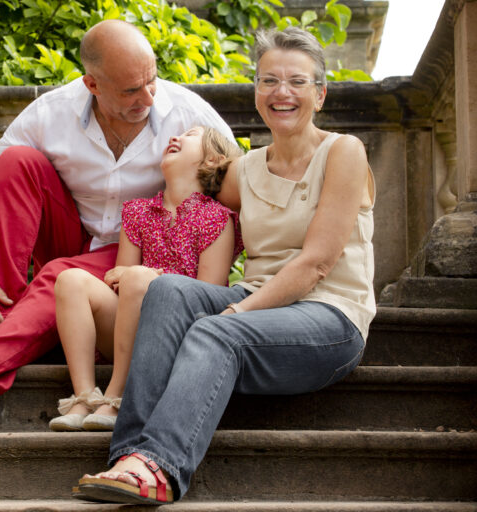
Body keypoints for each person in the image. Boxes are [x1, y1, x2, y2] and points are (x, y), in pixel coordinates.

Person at [0, 19, 234, 433]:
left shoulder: (190, 116)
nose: (149, 97)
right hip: (69, 236)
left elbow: (235, 186)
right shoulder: (51, 113)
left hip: (135, 252)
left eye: (152, 81)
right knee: (15, 164)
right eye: (130, 91)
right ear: (92, 84)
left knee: (61, 275)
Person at [74, 26, 376, 505]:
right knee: (168, 290)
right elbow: (184, 188)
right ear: (255, 91)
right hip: (257, 302)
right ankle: (127, 456)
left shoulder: (343, 153)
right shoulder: (244, 171)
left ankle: (160, 465)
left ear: (320, 94)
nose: (282, 92)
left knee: (218, 331)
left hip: (329, 317)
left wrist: (237, 313)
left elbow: (317, 264)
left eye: (297, 82)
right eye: (268, 80)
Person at [50, 126, 243, 432]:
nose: (175, 138)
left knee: (139, 277)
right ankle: (84, 397)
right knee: (70, 280)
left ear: (212, 159)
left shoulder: (217, 218)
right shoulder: (138, 212)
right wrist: (134, 277)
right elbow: (118, 279)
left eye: (190, 135)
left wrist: (150, 276)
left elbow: (209, 293)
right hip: (130, 322)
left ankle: (118, 395)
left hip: (177, 331)